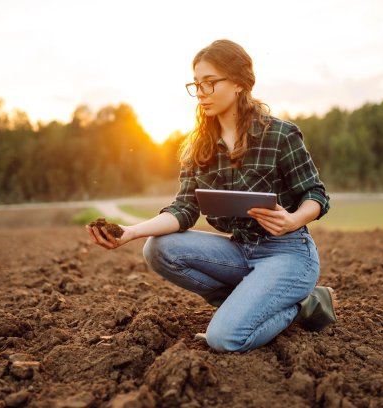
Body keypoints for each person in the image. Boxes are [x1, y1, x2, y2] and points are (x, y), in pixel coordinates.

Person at [86, 39, 336, 353]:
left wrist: (292, 220)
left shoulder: (281, 134)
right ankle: (247, 300)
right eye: (196, 85)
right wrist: (131, 233)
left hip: (288, 253)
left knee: (224, 339)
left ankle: (303, 305)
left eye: (210, 83)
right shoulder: (198, 145)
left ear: (239, 83)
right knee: (158, 249)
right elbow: (184, 209)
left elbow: (315, 194)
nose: (201, 93)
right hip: (240, 251)